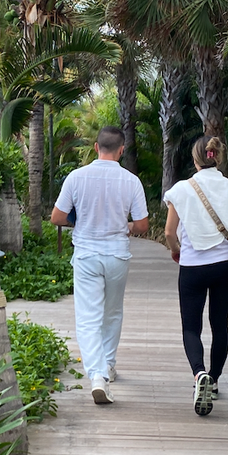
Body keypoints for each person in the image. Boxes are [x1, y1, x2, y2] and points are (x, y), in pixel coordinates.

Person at [164, 135, 228, 417]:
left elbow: (169, 232)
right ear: (218, 157)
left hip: (192, 268)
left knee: (191, 327)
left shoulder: (181, 190)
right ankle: (214, 378)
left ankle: (199, 374)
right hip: (224, 266)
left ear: (195, 159)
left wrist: (176, 251)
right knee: (220, 325)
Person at [50, 126, 149, 406]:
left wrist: (78, 221)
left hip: (86, 255)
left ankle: (97, 375)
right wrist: (126, 226)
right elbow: (142, 225)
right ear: (121, 150)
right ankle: (109, 365)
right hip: (117, 255)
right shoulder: (131, 181)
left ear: (96, 147)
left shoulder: (76, 177)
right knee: (113, 313)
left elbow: (56, 217)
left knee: (88, 318)